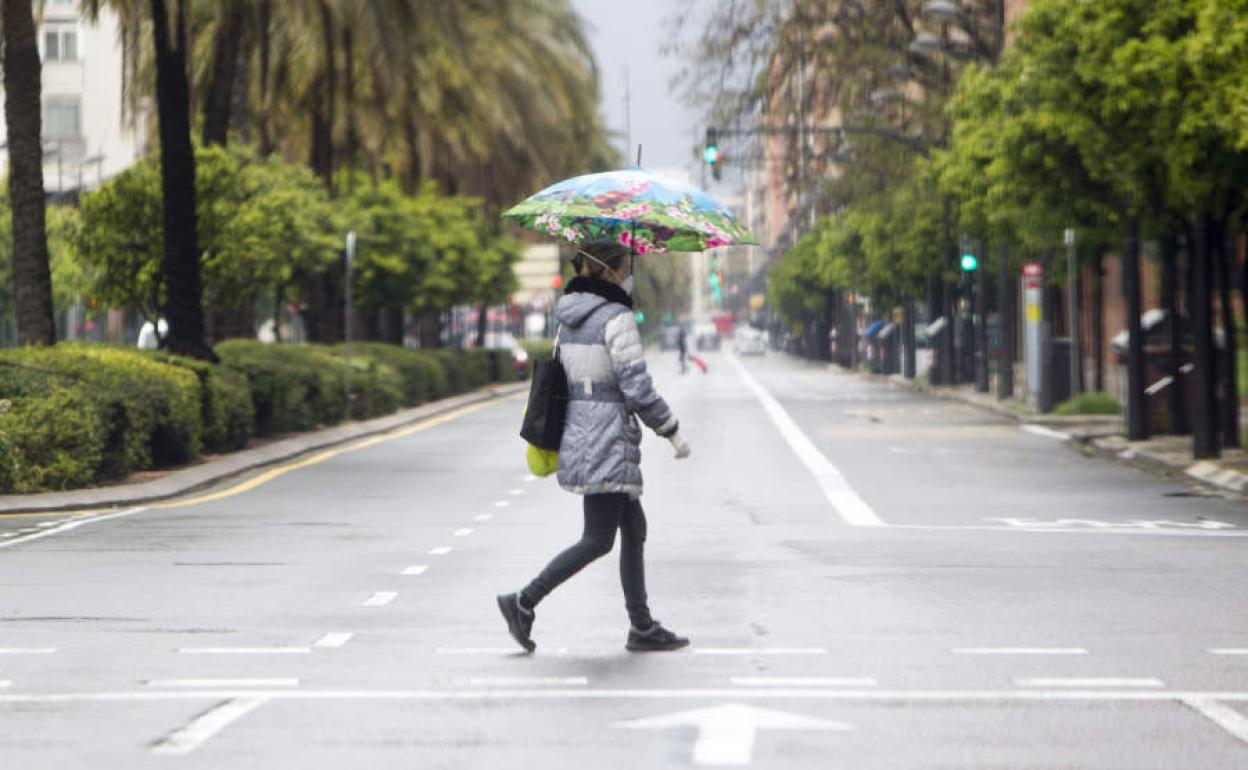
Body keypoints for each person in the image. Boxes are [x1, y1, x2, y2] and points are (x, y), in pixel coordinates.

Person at [498, 239, 692, 653]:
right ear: (608, 271)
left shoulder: (567, 316)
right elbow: (636, 387)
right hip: (608, 438)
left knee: (633, 529)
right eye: (625, 268)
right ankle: (523, 601)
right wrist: (671, 429)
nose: (629, 274)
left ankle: (641, 626)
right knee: (599, 538)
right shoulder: (616, 317)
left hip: (582, 432)